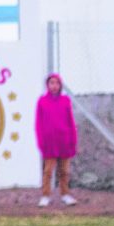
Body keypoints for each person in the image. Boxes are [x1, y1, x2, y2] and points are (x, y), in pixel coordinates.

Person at [35, 73, 78, 207]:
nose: (54, 86)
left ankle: (65, 194)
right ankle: (45, 195)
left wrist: (73, 139)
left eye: (56, 83)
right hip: (49, 143)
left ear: (60, 85)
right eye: (51, 83)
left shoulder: (65, 101)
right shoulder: (42, 101)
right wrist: (41, 141)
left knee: (64, 171)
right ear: (47, 85)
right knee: (48, 171)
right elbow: (38, 123)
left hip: (64, 141)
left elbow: (70, 121)